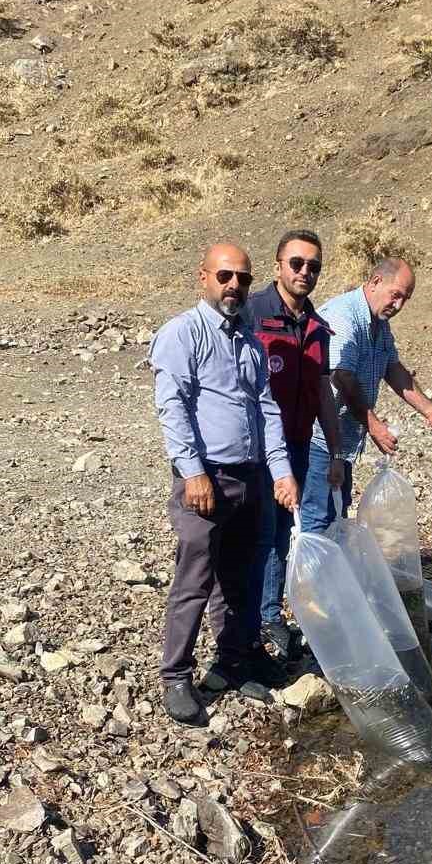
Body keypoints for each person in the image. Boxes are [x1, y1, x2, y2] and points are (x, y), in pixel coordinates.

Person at [151, 241, 300, 725]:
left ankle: (234, 661)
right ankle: (176, 675)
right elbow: (172, 407)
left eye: (242, 278)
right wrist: (193, 472)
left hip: (250, 475)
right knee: (194, 579)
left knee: (241, 578)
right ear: (204, 277)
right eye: (225, 276)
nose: (234, 285)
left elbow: (267, 409)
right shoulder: (183, 333)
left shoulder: (250, 341)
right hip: (206, 477)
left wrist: (280, 471)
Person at [245, 229, 345, 659]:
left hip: (300, 442)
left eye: (314, 267)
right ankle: (263, 617)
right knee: (263, 532)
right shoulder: (252, 314)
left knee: (286, 529)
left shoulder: (318, 327)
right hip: (258, 447)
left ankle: (275, 611)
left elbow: (324, 391)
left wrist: (337, 452)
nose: (305, 272)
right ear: (278, 267)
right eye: (297, 264)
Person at [300, 257, 432, 532]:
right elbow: (341, 375)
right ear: (375, 282)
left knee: (337, 514)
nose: (398, 306)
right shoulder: (344, 315)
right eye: (396, 295)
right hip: (320, 438)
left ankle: (334, 571)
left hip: (344, 441)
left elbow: (392, 368)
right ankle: (309, 574)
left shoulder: (380, 325)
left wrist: (430, 411)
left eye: (405, 299)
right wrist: (374, 426)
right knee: (317, 518)